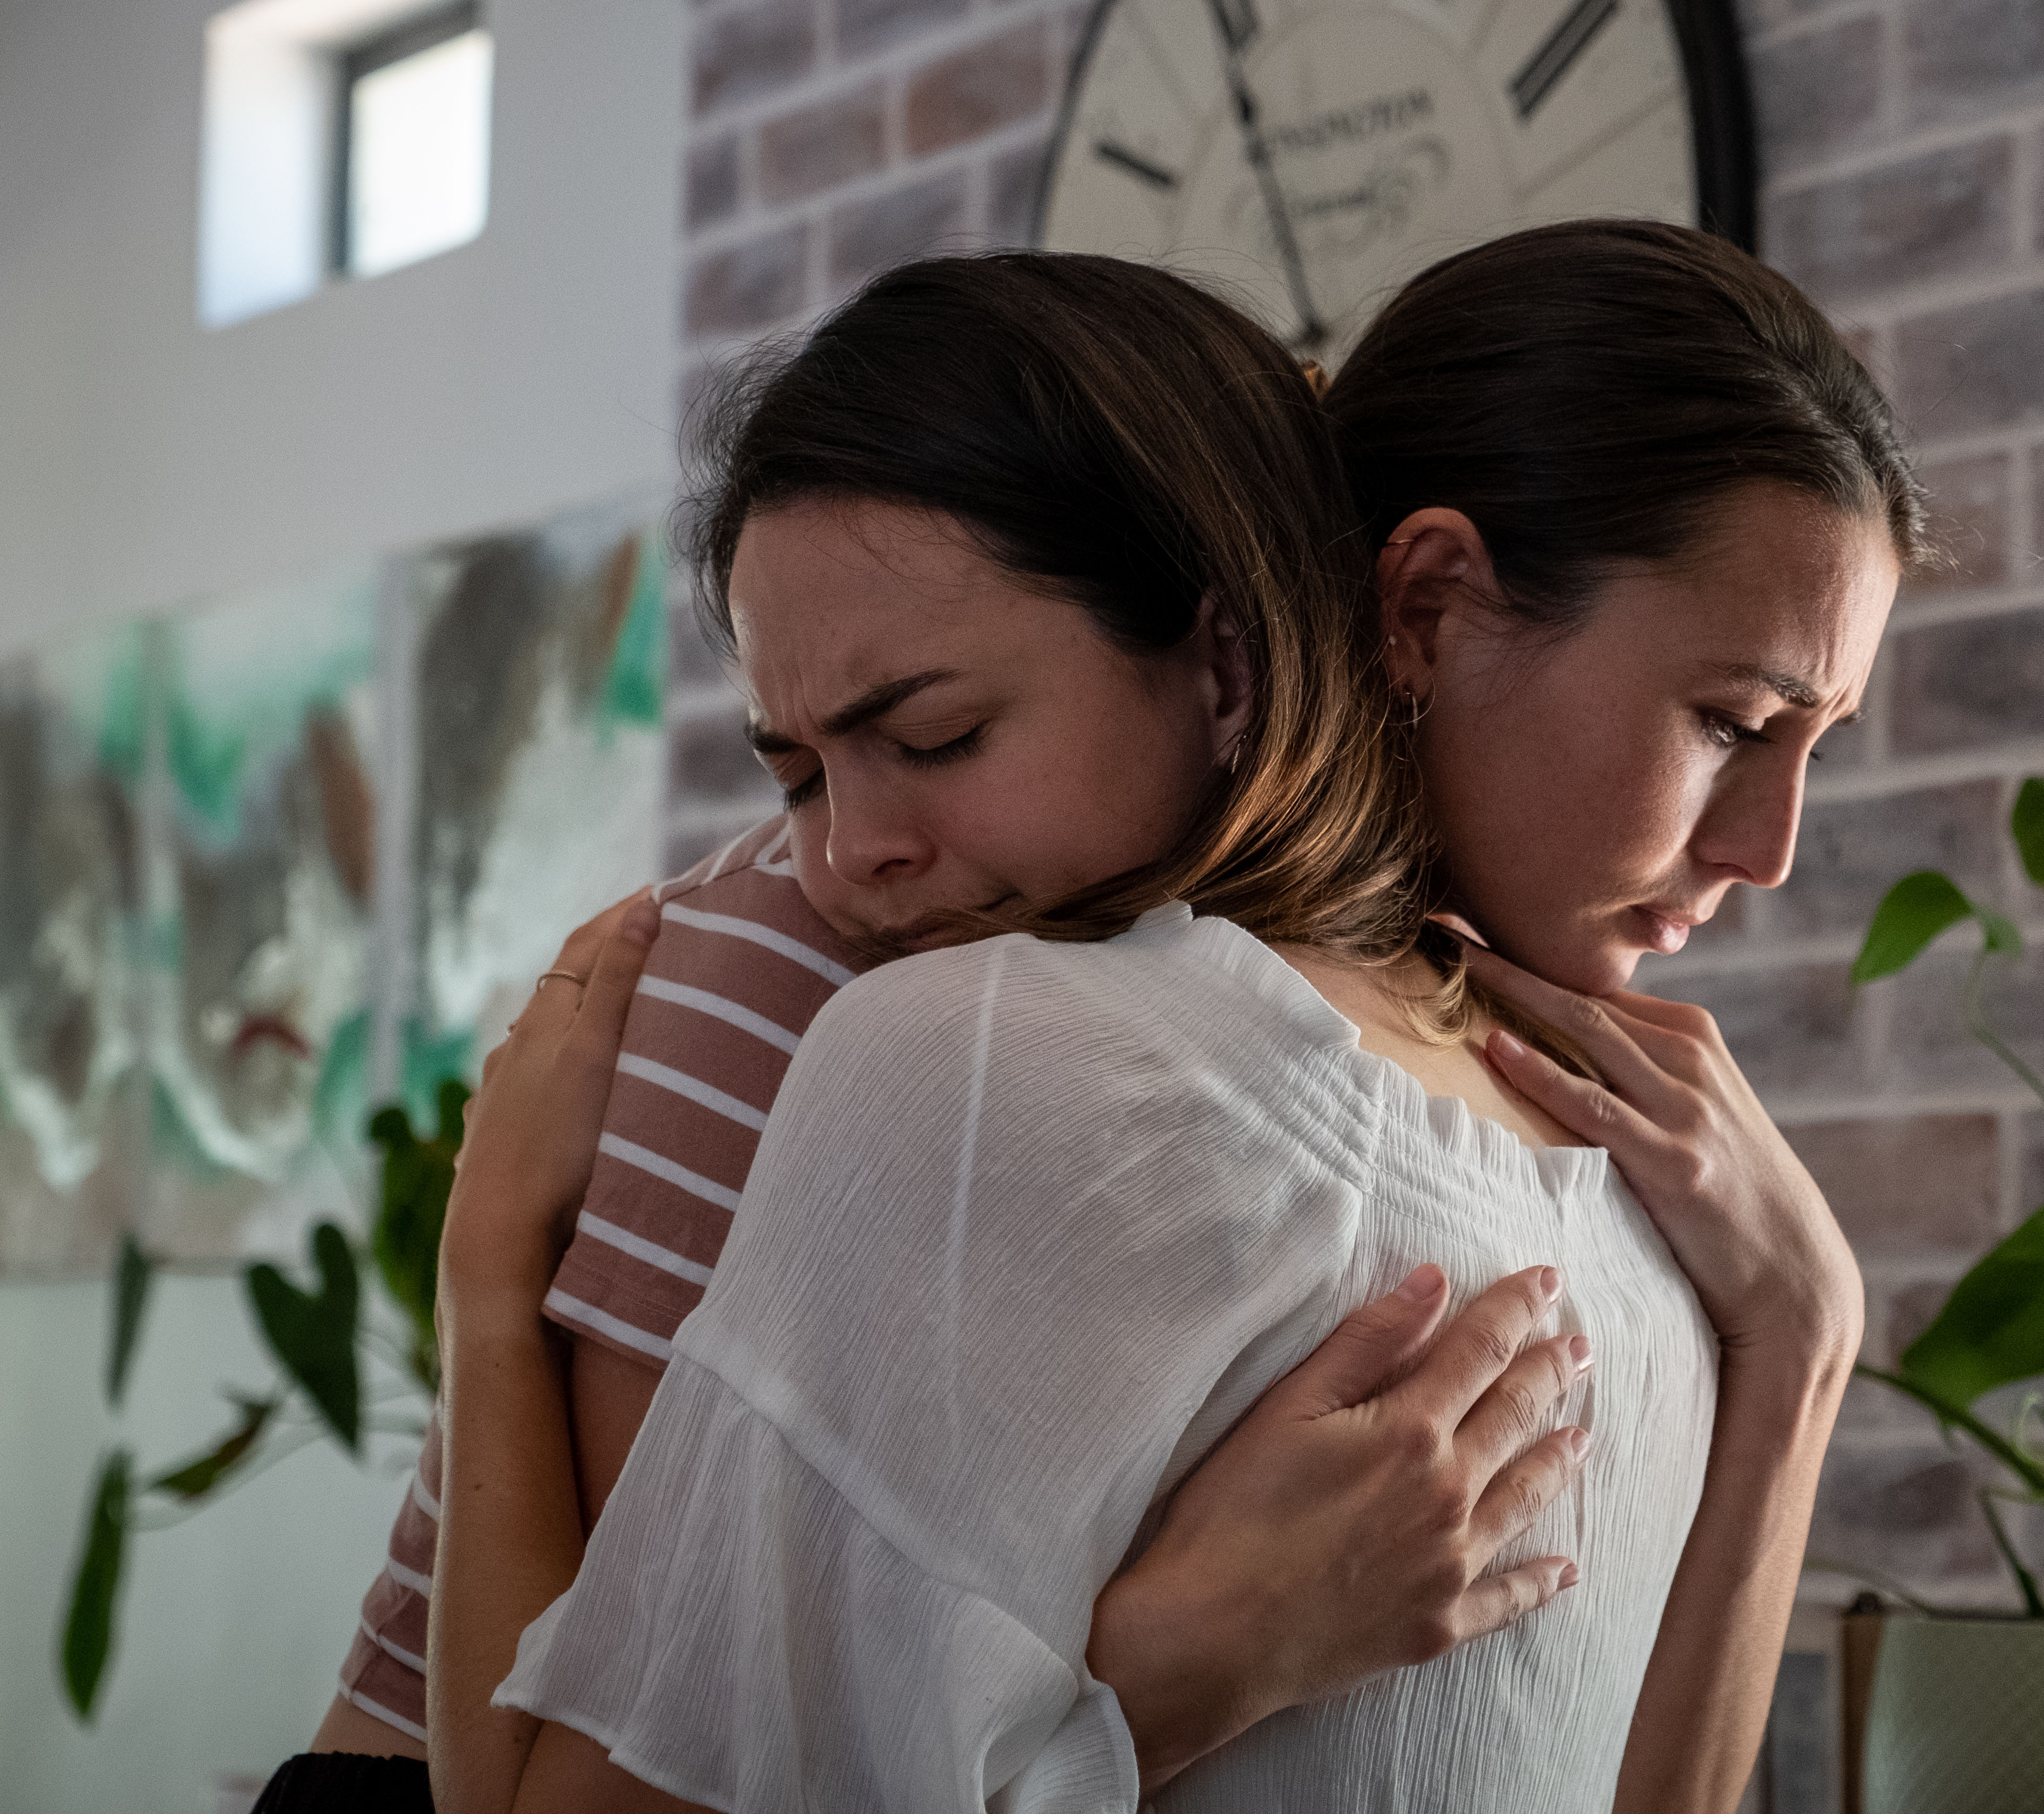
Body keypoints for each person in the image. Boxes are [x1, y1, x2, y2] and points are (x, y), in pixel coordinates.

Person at [434, 226, 1910, 1811]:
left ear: (1220, 661)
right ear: (1416, 601)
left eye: (933, 732)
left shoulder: (1623, 1159)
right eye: (1731, 722)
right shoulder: (872, 997)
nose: (847, 853)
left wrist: (1806, 1342)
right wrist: (1172, 1673)